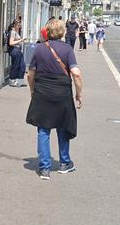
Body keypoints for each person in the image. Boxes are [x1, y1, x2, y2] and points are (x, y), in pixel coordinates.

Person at [26, 19, 83, 180]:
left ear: (48, 32)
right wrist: (79, 94)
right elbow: (76, 74)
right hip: (62, 94)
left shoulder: (39, 48)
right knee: (63, 127)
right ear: (63, 32)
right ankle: (64, 163)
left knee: (43, 130)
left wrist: (32, 90)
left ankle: (44, 168)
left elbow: (30, 74)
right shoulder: (67, 49)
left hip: (42, 92)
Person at [7, 18, 27, 87]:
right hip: (14, 50)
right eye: (18, 25)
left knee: (22, 65)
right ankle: (12, 80)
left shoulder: (15, 32)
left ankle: (19, 81)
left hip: (17, 50)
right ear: (15, 25)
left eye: (20, 25)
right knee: (16, 65)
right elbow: (11, 43)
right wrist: (21, 40)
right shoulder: (13, 32)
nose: (19, 26)